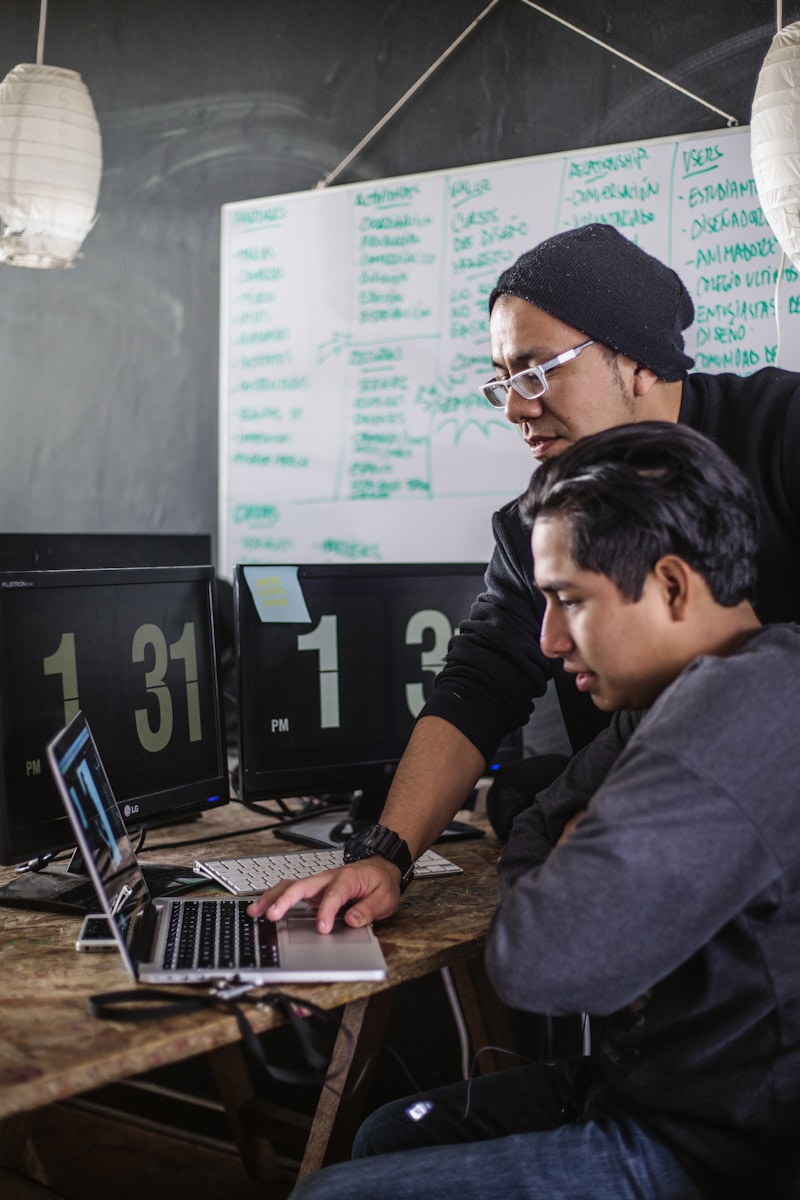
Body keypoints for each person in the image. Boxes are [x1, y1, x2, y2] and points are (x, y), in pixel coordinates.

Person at [279, 422, 800, 1200]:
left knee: (328, 1196)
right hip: (653, 1085)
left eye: (569, 600)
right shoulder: (674, 696)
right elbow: (535, 818)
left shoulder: (734, 719)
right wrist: (565, 851)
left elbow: (534, 961)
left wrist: (567, 857)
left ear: (671, 585)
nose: (550, 640)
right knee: (387, 1131)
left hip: (714, 1146)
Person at [250, 223, 800, 936]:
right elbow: (481, 680)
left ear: (636, 361)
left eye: (536, 372)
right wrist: (384, 856)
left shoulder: (784, 430)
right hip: (634, 864)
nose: (515, 406)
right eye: (503, 381)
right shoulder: (536, 525)